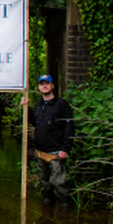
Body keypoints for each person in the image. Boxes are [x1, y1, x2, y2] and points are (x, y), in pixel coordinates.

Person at [26, 74, 75, 204]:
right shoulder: (38, 105)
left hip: (56, 152)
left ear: (52, 86)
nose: (45, 86)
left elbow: (69, 128)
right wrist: (26, 109)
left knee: (59, 184)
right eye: (42, 84)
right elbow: (35, 122)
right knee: (45, 184)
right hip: (41, 151)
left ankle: (64, 215)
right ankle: (47, 214)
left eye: (47, 83)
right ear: (39, 87)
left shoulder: (62, 104)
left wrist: (65, 149)